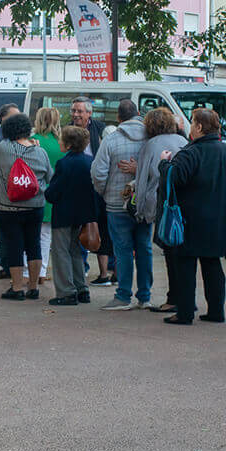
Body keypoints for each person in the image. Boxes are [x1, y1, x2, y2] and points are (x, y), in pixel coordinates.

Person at [160, 110, 226, 325]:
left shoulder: (191, 152)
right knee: (212, 264)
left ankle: (185, 313)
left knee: (185, 266)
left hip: (190, 218)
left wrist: (164, 164)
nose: (190, 127)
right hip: (218, 217)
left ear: (199, 127)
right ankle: (216, 311)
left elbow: (175, 179)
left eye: (192, 123)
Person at [89, 99, 149, 310]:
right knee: (144, 248)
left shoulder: (111, 139)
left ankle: (123, 296)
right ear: (138, 113)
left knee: (122, 250)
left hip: (116, 204)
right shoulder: (150, 137)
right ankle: (145, 295)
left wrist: (105, 191)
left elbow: (98, 173)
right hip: (143, 202)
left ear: (118, 117)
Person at [133, 107, 191, 314]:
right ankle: (183, 297)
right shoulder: (184, 142)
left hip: (159, 203)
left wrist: (138, 209)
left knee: (168, 250)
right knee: (181, 252)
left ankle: (173, 298)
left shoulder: (151, 145)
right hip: (183, 203)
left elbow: (142, 180)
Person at [0, 112, 51, 300]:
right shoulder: (40, 152)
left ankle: (17, 288)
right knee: (34, 245)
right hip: (35, 206)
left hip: (9, 206)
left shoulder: (3, 148)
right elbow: (50, 177)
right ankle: (33, 287)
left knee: (14, 247)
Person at [43, 125, 99, 306]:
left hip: (64, 213)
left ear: (68, 144)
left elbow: (53, 192)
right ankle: (81, 287)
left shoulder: (64, 163)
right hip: (83, 214)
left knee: (61, 252)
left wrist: (47, 191)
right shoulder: (90, 161)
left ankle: (66, 291)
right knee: (76, 251)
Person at [69, 97, 112, 282]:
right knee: (78, 228)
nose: (76, 115)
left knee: (99, 227)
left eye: (79, 111)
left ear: (89, 113)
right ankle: (81, 268)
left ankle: (106, 272)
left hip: (97, 186)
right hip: (75, 186)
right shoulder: (67, 129)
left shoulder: (99, 128)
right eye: (73, 111)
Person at [33, 107, 64, 282]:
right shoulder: (61, 143)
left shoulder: (33, 141)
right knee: (46, 236)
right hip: (54, 195)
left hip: (34, 194)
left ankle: (28, 271)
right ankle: (42, 271)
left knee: (30, 235)